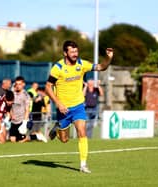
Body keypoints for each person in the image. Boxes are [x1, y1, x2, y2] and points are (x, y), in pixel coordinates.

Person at [45, 40, 113, 173]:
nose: (75, 54)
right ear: (65, 53)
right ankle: (58, 127)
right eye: (72, 52)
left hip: (78, 106)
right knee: (64, 140)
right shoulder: (57, 68)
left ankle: (83, 165)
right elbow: (48, 87)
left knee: (82, 132)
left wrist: (108, 58)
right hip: (63, 109)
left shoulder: (82, 64)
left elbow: (101, 67)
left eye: (76, 51)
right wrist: (58, 103)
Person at [9, 76, 30, 142]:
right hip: (13, 120)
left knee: (20, 141)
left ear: (23, 84)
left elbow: (27, 109)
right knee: (12, 140)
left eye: (20, 84)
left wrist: (25, 122)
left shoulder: (25, 95)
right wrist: (11, 114)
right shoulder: (12, 93)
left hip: (21, 120)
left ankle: (34, 136)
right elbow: (9, 106)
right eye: (16, 84)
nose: (18, 86)